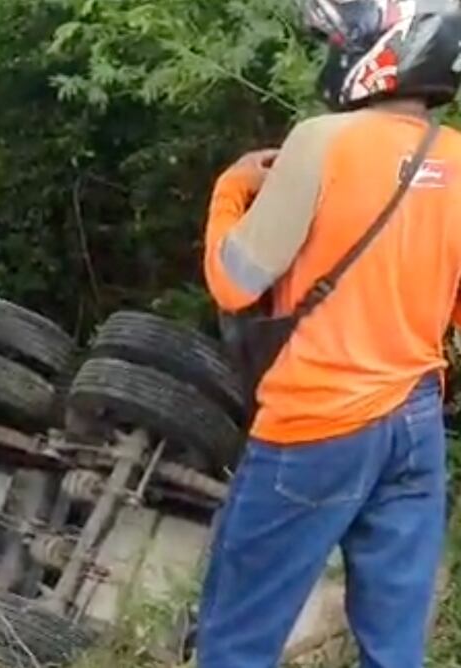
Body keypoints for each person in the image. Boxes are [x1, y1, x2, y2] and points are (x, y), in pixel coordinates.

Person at [196, 1, 461, 666]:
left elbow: (236, 282)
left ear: (381, 48)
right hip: (415, 426)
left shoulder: (322, 141)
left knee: (236, 641)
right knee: (394, 651)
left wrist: (230, 190)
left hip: (315, 422)